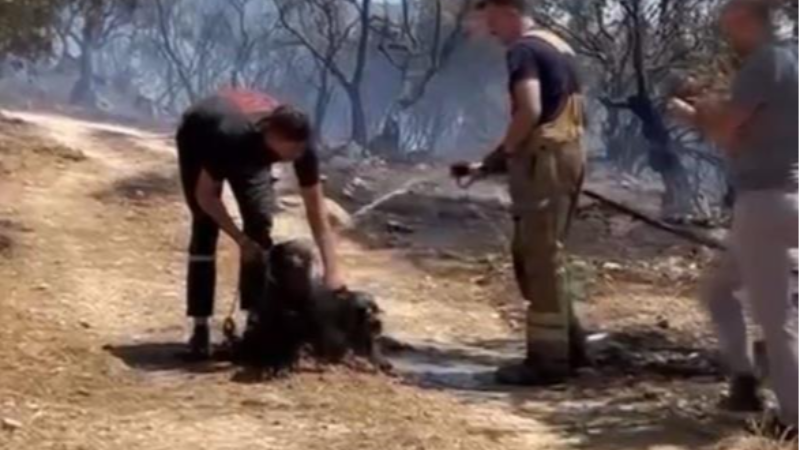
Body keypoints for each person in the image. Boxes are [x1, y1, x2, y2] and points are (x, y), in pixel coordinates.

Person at [669, 0, 799, 435]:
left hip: (765, 202)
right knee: (718, 292)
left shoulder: (765, 63)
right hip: (780, 197)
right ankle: (744, 382)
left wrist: (694, 114)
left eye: (731, 15)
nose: (725, 25)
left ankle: (793, 418)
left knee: (775, 320)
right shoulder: (786, 61)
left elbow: (726, 130)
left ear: (749, 15)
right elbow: (742, 131)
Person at [452, 0, 587, 385]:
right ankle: (572, 346)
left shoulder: (523, 50)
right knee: (551, 254)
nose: (489, 27)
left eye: (490, 16)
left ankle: (547, 361)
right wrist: (491, 163)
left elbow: (529, 110)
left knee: (537, 257)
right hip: (568, 155)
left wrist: (504, 153)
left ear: (508, 8)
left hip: (544, 161)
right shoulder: (559, 45)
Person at [176, 89, 346, 360]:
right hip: (201, 131)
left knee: (260, 224)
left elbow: (316, 211)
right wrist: (239, 239)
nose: (299, 154)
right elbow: (205, 196)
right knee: (204, 224)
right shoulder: (230, 138)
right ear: (273, 138)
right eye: (293, 149)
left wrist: (332, 270)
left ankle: (254, 322)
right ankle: (199, 327)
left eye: (302, 148)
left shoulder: (301, 148)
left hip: (249, 145)